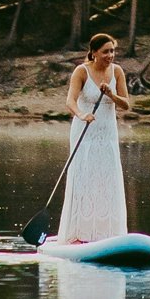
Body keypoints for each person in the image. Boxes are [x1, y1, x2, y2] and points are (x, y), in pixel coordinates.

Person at [59, 32, 132, 244]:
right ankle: (79, 235)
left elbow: (126, 104)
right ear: (93, 53)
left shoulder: (117, 71)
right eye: (106, 51)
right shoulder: (81, 72)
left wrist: (111, 94)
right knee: (84, 179)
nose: (111, 55)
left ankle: (107, 233)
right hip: (85, 131)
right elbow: (70, 101)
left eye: (113, 51)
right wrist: (82, 115)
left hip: (107, 133)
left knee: (106, 180)